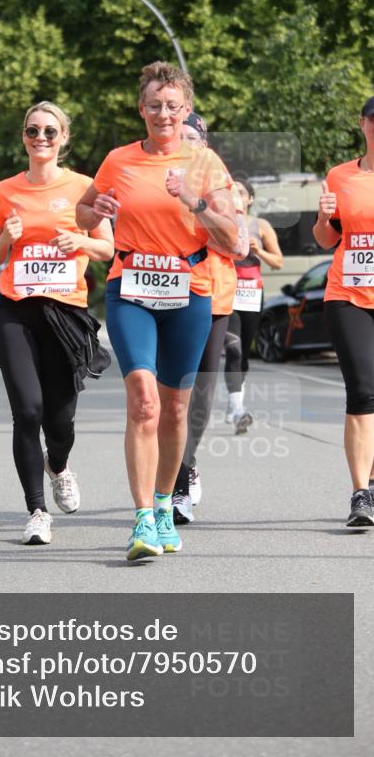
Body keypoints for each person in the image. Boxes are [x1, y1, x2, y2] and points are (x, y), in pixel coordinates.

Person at [76, 62, 239, 560]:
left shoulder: (207, 164)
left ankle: (167, 504)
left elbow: (232, 241)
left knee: (174, 408)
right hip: (131, 288)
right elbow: (83, 211)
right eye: (153, 105)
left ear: (185, 109)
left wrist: (191, 198)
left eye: (172, 106)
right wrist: (96, 212)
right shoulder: (118, 160)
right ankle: (143, 516)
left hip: (189, 290)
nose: (163, 114)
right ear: (141, 109)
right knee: (144, 400)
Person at [0, 101, 114, 545]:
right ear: (23, 136)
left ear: (64, 138)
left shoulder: (85, 187)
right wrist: (7, 237)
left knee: (60, 421)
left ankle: (58, 465)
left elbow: (108, 249)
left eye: (50, 132)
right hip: (16, 313)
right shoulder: (4, 190)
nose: (41, 138)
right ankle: (37, 511)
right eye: (33, 131)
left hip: (66, 316)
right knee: (27, 412)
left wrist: (79, 238)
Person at [171, 114, 248, 524]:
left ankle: (186, 466)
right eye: (177, 137)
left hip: (213, 297)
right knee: (167, 393)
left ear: (204, 142)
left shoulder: (223, 185)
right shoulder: (157, 179)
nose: (184, 143)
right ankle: (170, 480)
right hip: (162, 295)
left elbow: (239, 243)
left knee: (199, 393)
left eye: (191, 137)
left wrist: (197, 206)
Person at [313, 95, 374, 528]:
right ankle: (360, 493)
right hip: (348, 294)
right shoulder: (340, 176)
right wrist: (322, 216)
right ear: (363, 124)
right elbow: (324, 239)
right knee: (362, 389)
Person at [223, 179, 283, 433]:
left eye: (241, 192)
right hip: (227, 293)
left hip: (251, 295)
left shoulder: (261, 226)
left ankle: (234, 398)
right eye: (231, 192)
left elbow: (278, 262)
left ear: (249, 199)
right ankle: (238, 410)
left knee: (244, 352)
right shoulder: (221, 224)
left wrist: (259, 252)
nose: (236, 195)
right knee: (233, 350)